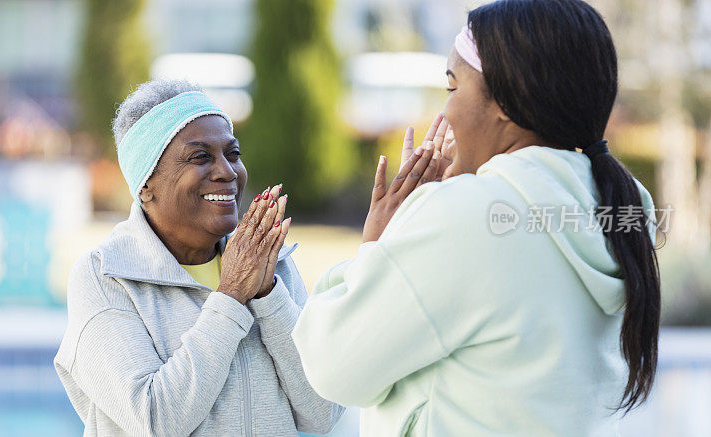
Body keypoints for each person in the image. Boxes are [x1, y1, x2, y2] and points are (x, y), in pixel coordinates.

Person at [292, 0, 661, 435]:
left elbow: (332, 366)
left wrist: (378, 244)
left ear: (506, 101)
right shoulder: (627, 209)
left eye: (452, 88)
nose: (444, 113)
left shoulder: (464, 214)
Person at [54, 80, 343, 436]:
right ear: (145, 184)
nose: (227, 172)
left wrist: (268, 294)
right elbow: (155, 420)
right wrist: (232, 296)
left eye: (233, 154)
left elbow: (324, 411)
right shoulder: (106, 278)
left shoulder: (269, 263)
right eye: (200, 156)